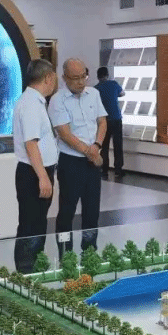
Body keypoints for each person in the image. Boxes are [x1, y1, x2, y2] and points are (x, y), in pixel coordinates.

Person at [49, 58, 107, 257]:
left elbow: (102, 122)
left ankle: (89, 252)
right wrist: (90, 153)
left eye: (84, 76)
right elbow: (65, 134)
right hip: (71, 162)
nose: (81, 82)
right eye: (75, 78)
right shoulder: (57, 100)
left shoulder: (94, 94)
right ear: (64, 78)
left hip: (93, 159)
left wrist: (97, 146)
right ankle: (66, 255)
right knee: (67, 211)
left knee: (92, 210)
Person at [13, 59, 60, 273]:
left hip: (38, 170)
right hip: (33, 173)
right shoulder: (31, 104)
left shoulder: (35, 101)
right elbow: (31, 143)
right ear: (48, 78)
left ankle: (35, 265)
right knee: (30, 224)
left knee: (38, 222)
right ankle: (26, 270)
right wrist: (43, 177)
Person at [94, 66, 125, 178]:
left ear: (98, 76)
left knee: (104, 146)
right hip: (116, 119)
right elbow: (122, 93)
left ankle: (104, 170)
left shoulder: (96, 89)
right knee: (118, 145)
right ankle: (118, 170)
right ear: (107, 75)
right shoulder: (113, 84)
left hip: (103, 121)